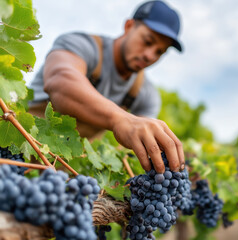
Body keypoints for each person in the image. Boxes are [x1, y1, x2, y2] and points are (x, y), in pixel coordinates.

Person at [28, 0, 185, 174]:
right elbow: (59, 81)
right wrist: (120, 119)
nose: (149, 55)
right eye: (148, 41)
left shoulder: (146, 95)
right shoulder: (81, 45)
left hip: (64, 172)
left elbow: (143, 147)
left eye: (159, 52)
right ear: (129, 26)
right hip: (18, 147)